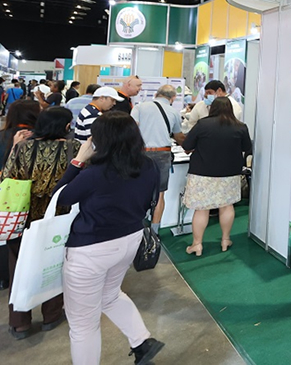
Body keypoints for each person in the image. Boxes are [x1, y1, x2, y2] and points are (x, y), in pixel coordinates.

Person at [54, 111, 165, 365]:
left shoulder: (95, 173)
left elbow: (61, 197)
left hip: (90, 250)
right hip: (130, 240)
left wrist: (78, 161)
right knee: (111, 296)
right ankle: (142, 342)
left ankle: (140, 343)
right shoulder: (148, 165)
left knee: (83, 325)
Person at [4, 107, 82, 339]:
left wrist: (14, 148)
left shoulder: (23, 147)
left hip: (23, 218)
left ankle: (19, 323)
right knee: (54, 265)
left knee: (19, 267)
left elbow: (7, 178)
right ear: (66, 126)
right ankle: (51, 315)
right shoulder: (74, 147)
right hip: (59, 218)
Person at [182, 97, 251, 256]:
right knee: (227, 206)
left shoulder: (203, 124)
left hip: (202, 172)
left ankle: (197, 244)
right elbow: (247, 147)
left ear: (212, 108)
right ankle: (225, 240)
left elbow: (187, 145)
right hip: (230, 173)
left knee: (201, 209)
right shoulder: (240, 127)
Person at [131, 85, 186, 234]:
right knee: (160, 194)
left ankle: (135, 228)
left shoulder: (140, 107)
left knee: (137, 190)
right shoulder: (173, 112)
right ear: (173, 98)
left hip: (140, 153)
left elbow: (131, 129)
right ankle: (154, 233)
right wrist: (189, 146)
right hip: (163, 154)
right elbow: (179, 136)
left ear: (156, 94)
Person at [0, 99, 40, 292]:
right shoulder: (41, 139)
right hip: (33, 198)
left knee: (5, 236)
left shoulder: (3, 136)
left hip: (6, 197)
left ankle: (4, 277)